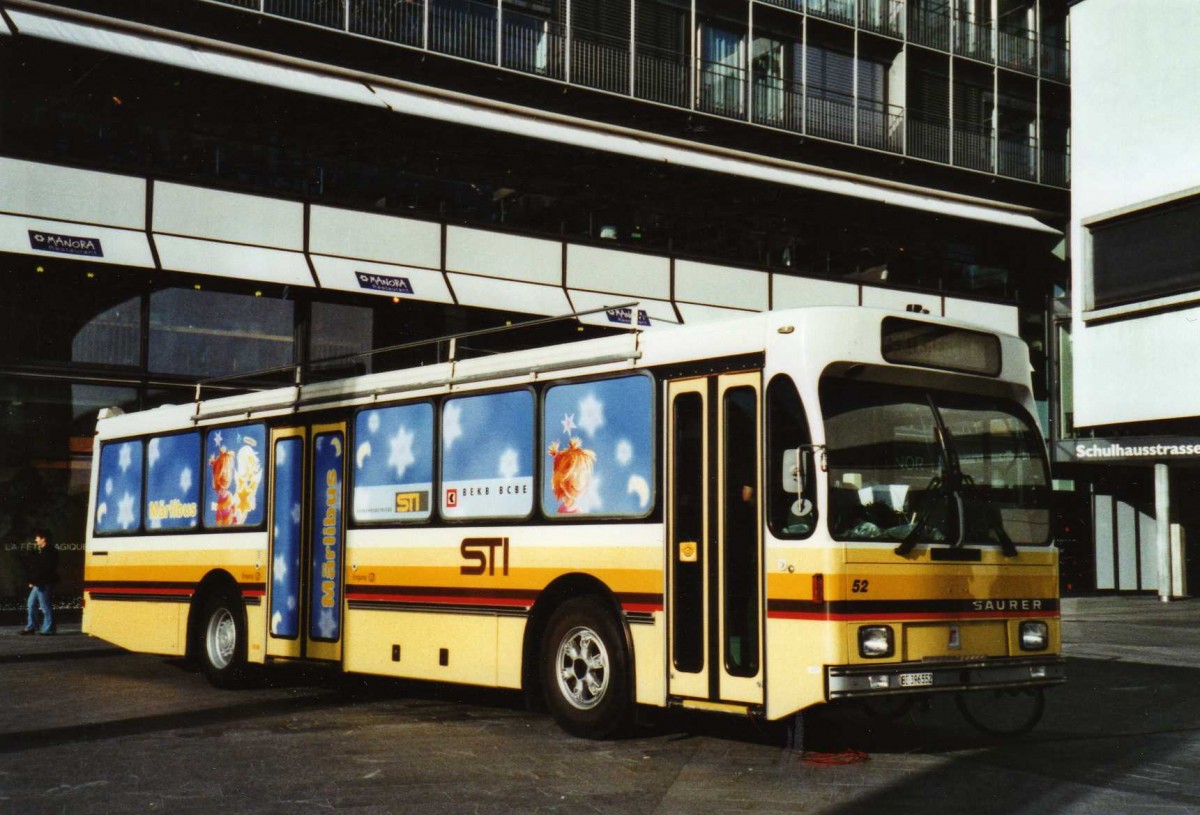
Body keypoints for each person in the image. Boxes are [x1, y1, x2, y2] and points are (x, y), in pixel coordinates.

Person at [20, 528, 58, 636]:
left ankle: (49, 629)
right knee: (31, 604)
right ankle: (32, 627)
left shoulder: (49, 552)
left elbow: (44, 569)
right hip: (39, 583)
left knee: (45, 606)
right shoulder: (44, 551)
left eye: (37, 538)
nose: (36, 540)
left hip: (43, 583)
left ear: (43, 539)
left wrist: (34, 581)